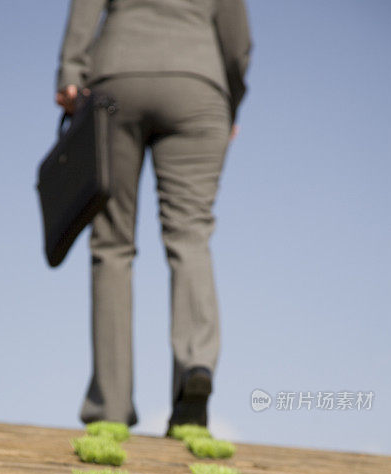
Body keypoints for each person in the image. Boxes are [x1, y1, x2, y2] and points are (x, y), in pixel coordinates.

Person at [55, 0, 252, 433]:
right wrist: (229, 101)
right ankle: (193, 374)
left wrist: (71, 70)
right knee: (190, 235)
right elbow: (237, 44)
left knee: (111, 242)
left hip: (117, 79)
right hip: (199, 86)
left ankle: (110, 405)